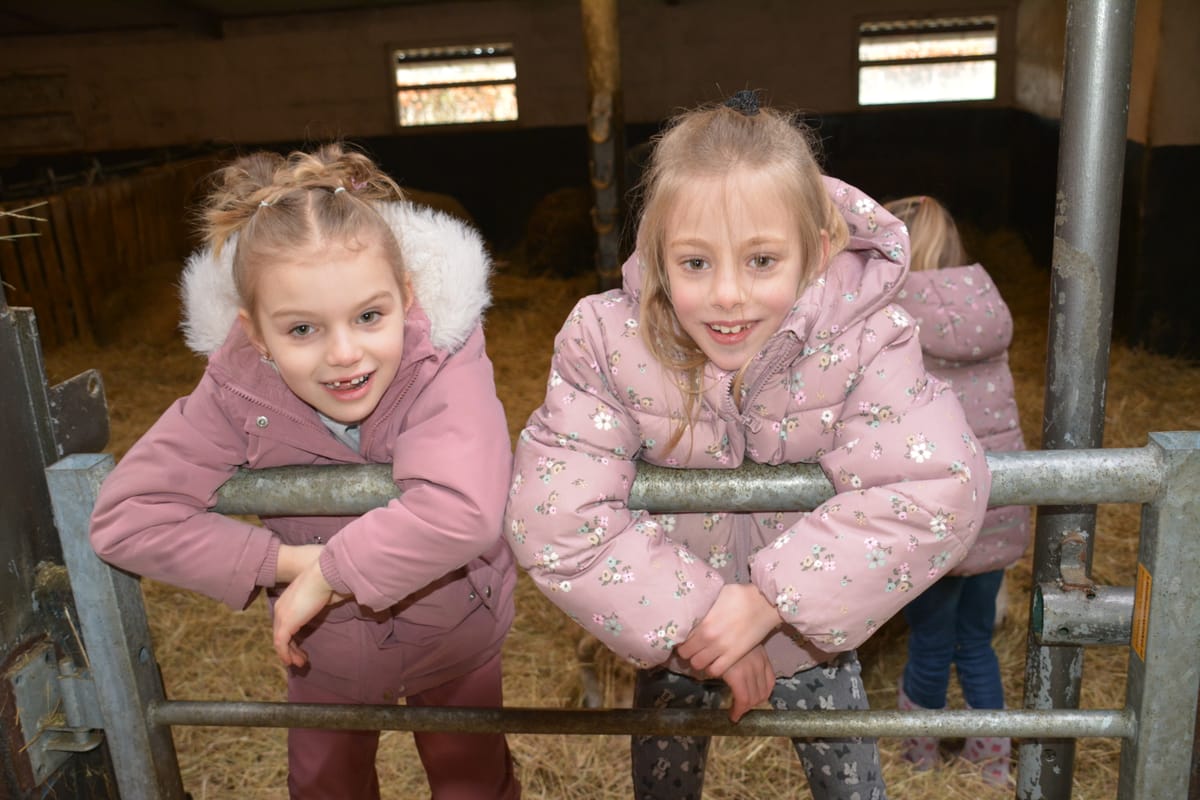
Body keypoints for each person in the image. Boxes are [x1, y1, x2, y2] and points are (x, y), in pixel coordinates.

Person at [503, 92, 991, 800]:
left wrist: (768, 603)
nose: (728, 296)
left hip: (813, 640)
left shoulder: (864, 339)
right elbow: (550, 514)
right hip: (672, 639)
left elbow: (939, 486)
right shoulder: (606, 344)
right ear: (658, 255)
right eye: (695, 264)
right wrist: (703, 619)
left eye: (761, 259)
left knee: (851, 790)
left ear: (817, 250)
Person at [89, 143, 520, 800]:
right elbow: (125, 518)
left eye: (370, 316)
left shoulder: (445, 357)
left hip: (454, 623)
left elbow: (464, 508)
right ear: (255, 335)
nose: (344, 354)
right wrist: (294, 567)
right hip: (325, 646)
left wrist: (333, 572)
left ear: (406, 298)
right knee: (325, 787)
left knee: (471, 780)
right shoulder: (237, 389)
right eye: (301, 330)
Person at [885, 194, 1031, 787]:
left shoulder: (890, 321)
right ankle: (992, 763)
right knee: (975, 642)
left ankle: (919, 759)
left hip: (936, 517)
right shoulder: (985, 308)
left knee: (929, 640)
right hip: (996, 511)